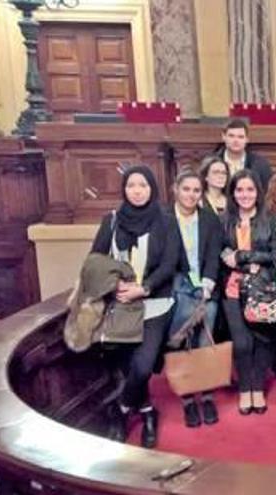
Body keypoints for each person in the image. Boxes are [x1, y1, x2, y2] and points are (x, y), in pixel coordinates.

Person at [92, 165, 180, 448]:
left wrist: (144, 288)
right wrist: (114, 285)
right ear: (124, 189)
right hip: (120, 305)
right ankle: (147, 411)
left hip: (155, 302)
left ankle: (119, 409)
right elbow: (95, 261)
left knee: (143, 366)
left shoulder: (166, 220)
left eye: (143, 185)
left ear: (152, 188)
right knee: (129, 365)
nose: (137, 191)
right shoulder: (112, 220)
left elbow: (169, 264)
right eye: (131, 185)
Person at [219, 169, 276, 416]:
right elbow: (221, 254)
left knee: (262, 340)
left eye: (250, 189)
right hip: (232, 288)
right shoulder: (223, 220)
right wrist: (248, 263)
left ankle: (258, 388)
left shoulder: (271, 219)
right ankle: (245, 389)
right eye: (239, 190)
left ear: (258, 192)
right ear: (233, 193)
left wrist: (242, 256)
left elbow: (274, 256)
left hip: (262, 288)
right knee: (242, 343)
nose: (245, 194)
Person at [167, 168, 224, 428]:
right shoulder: (165, 219)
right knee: (180, 342)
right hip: (177, 289)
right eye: (186, 189)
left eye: (196, 190)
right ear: (176, 190)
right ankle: (188, 399)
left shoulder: (210, 219)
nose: (191, 195)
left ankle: (208, 396)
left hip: (206, 288)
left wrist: (208, 284)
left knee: (204, 342)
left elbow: (214, 254)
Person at [215, 119, 273, 191]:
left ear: (247, 139)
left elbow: (268, 192)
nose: (236, 140)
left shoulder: (261, 164)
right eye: (231, 136)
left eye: (240, 137)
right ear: (223, 137)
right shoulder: (211, 162)